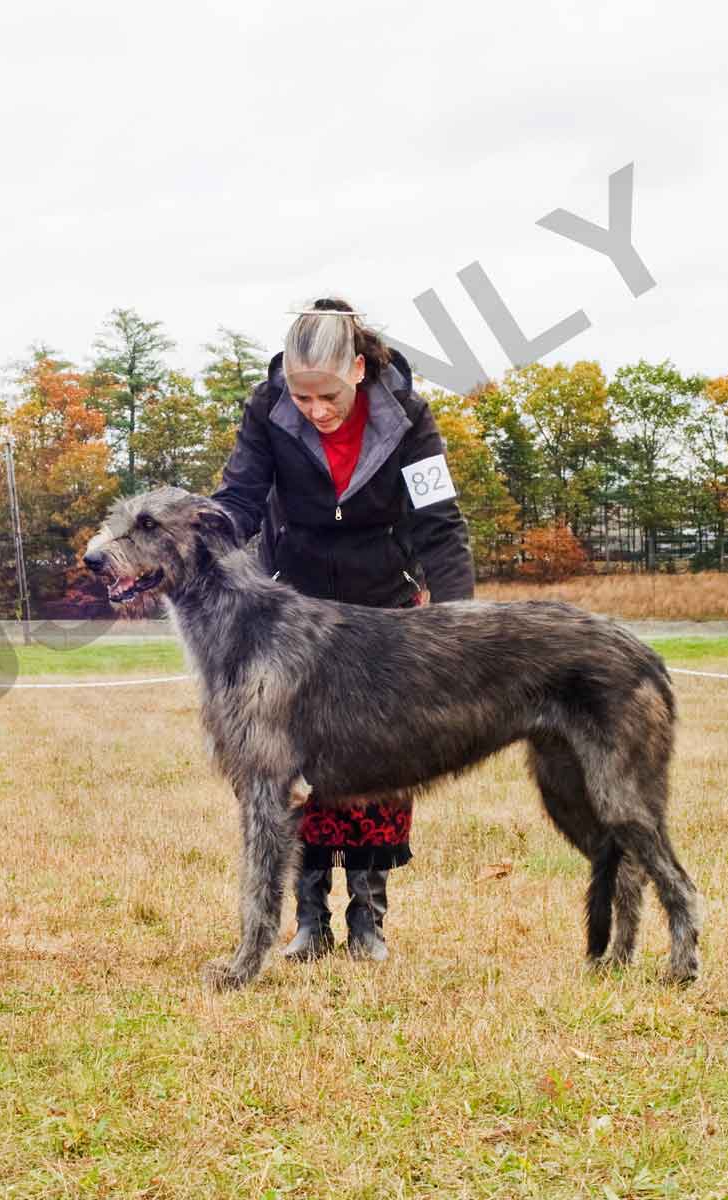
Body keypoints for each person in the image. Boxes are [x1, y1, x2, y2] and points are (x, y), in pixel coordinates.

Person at [212, 297, 475, 963]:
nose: (316, 410)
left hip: (381, 607)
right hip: (290, 610)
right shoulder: (266, 410)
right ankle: (309, 921)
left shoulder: (407, 415)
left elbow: (438, 522)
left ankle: (368, 917)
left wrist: (460, 620)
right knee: (287, 762)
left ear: (358, 369)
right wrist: (196, 538)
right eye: (302, 399)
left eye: (326, 395)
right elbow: (240, 501)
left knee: (380, 759)